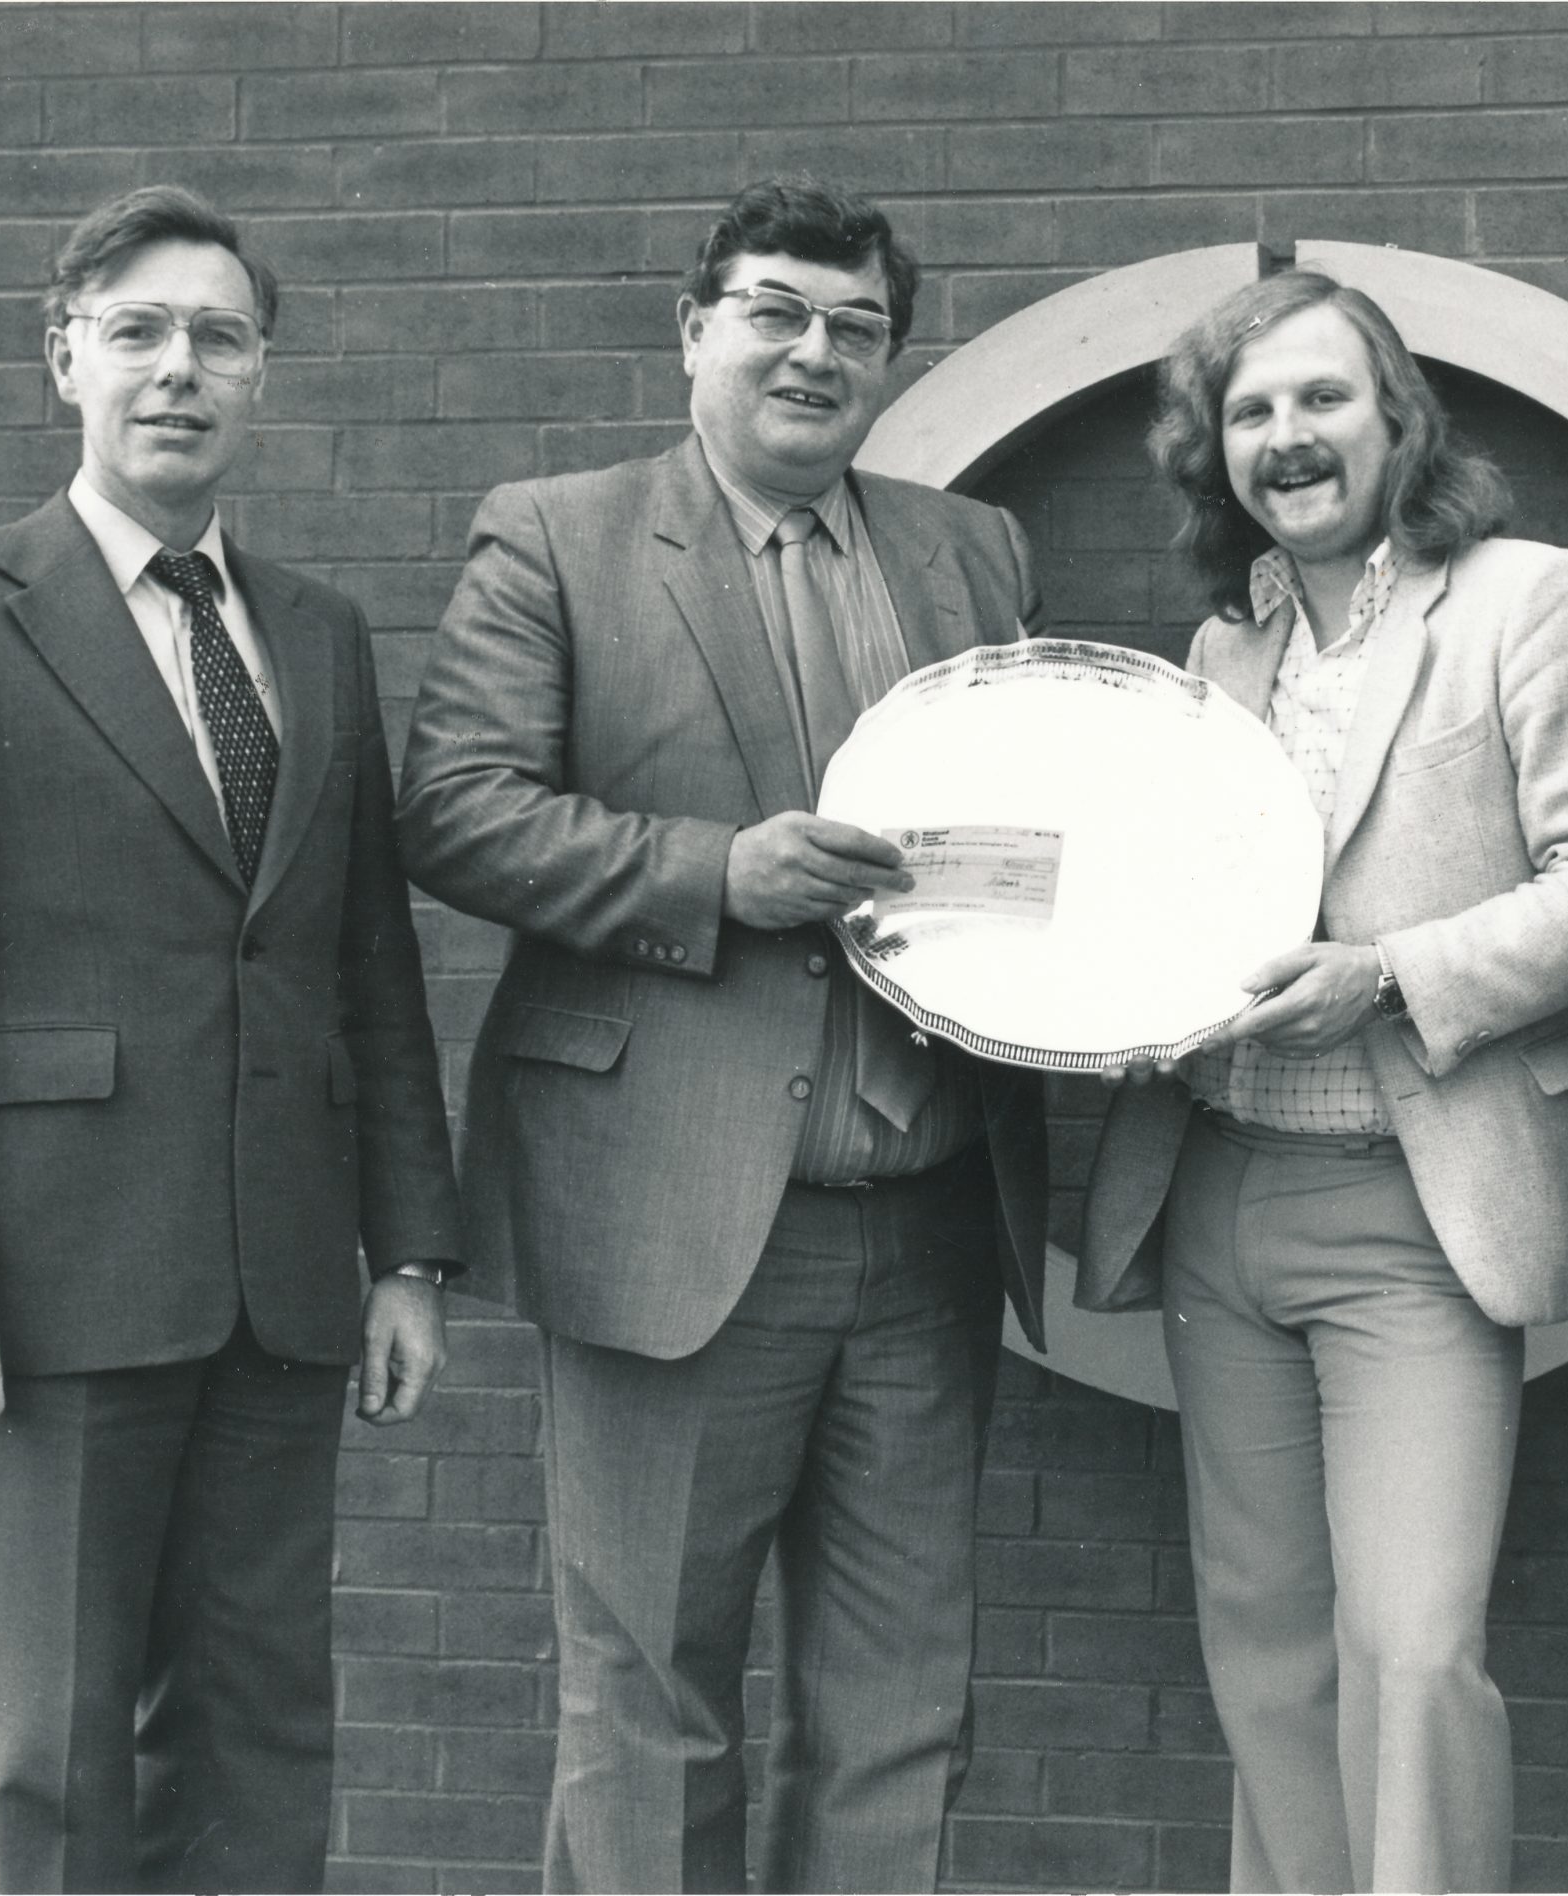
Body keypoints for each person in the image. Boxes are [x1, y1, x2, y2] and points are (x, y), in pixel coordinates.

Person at [0, 185, 463, 1892]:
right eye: (142, 332)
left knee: (259, 1732)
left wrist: (412, 1252)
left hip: (286, 1274)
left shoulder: (314, 631)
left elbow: (366, 963)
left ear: (262, 377)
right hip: (53, 1278)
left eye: (221, 338)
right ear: (67, 360)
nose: (183, 368)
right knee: (62, 1750)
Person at [396, 176, 1049, 1894]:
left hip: (924, 1222)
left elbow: (1024, 839)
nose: (814, 352)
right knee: (649, 1700)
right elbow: (455, 812)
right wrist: (714, 873)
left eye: (855, 326)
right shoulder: (559, 533)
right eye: (775, 311)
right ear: (695, 331)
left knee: (903, 1709)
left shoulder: (969, 551)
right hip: (671, 1217)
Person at [1078, 270, 1568, 1893]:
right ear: (1212, 453)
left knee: (1414, 1647)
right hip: (1219, 1200)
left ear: (1398, 418)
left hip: (1416, 1210)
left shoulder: (1527, 598)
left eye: (1321, 399)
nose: (1286, 437)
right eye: (1249, 412)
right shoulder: (1217, 655)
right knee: (1266, 1649)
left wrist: (1389, 976)